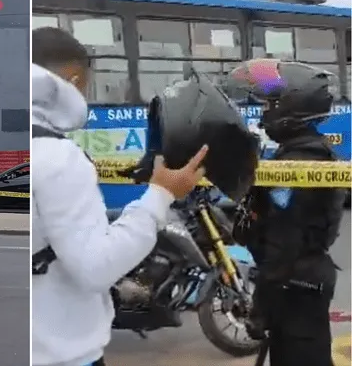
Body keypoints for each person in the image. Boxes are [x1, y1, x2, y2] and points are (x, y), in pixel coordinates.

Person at [31, 27, 209, 366]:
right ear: (72, 81)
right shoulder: (58, 157)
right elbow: (95, 268)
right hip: (64, 357)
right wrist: (161, 194)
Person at [228, 59, 345, 366]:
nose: (265, 112)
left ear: (291, 108)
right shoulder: (298, 153)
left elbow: (284, 243)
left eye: (271, 104)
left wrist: (261, 309)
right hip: (297, 284)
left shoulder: (300, 163)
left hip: (297, 288)